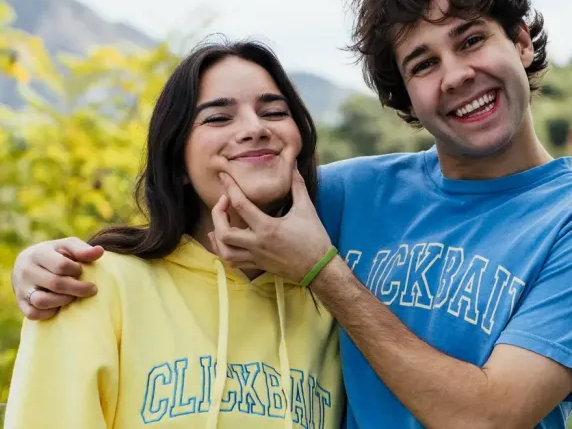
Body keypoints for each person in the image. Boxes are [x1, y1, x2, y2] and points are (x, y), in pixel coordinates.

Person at [8, 0, 572, 429]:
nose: (456, 75)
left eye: (472, 40)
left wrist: (322, 269)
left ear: (522, 41)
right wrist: (45, 266)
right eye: (423, 64)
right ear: (404, 98)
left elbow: (489, 417)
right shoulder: (344, 193)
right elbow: (209, 219)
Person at [4, 40, 345, 429]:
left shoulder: (332, 298)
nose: (255, 128)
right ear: (177, 161)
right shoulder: (90, 285)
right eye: (218, 118)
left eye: (274, 112)